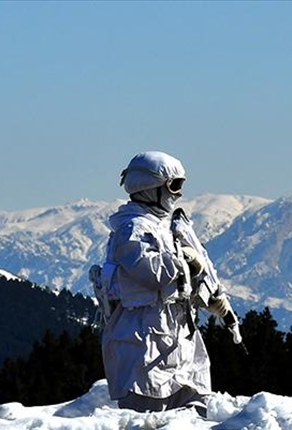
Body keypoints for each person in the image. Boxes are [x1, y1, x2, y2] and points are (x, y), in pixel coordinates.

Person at [90, 151, 240, 416]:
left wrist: (216, 300)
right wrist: (186, 260)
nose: (179, 193)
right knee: (148, 420)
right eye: (175, 185)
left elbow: (195, 274)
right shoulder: (132, 229)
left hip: (179, 333)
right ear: (151, 187)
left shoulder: (169, 227)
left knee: (193, 412)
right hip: (144, 338)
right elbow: (151, 272)